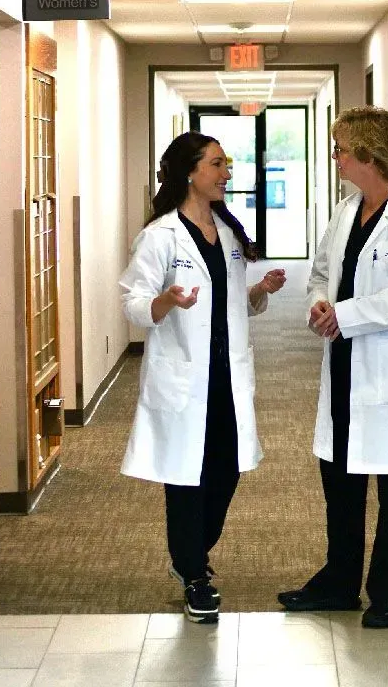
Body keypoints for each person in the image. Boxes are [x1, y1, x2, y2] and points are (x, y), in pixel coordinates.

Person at [277, 107, 388, 629]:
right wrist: (320, 305)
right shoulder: (346, 211)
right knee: (341, 484)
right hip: (346, 362)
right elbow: (322, 272)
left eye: (341, 150)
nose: (336, 159)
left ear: (369, 155)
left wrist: (346, 315)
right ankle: (339, 582)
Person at [120, 130, 286, 624]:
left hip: (227, 378)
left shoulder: (227, 232)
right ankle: (194, 572)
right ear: (191, 172)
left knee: (225, 472)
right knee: (186, 478)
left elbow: (231, 306)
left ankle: (191, 554)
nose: (226, 173)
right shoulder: (159, 237)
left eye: (226, 164)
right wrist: (166, 300)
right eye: (217, 164)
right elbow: (132, 302)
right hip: (184, 378)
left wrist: (259, 290)